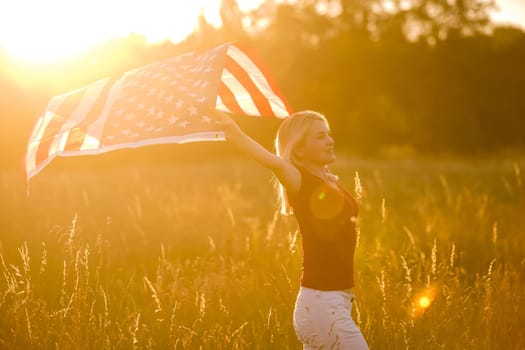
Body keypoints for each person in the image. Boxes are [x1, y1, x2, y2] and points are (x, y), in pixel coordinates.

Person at [213, 109, 368, 350]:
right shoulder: (299, 180)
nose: (330, 141)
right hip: (321, 305)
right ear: (299, 148)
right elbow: (271, 160)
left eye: (328, 134)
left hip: (334, 302)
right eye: (320, 137)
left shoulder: (328, 180)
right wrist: (235, 133)